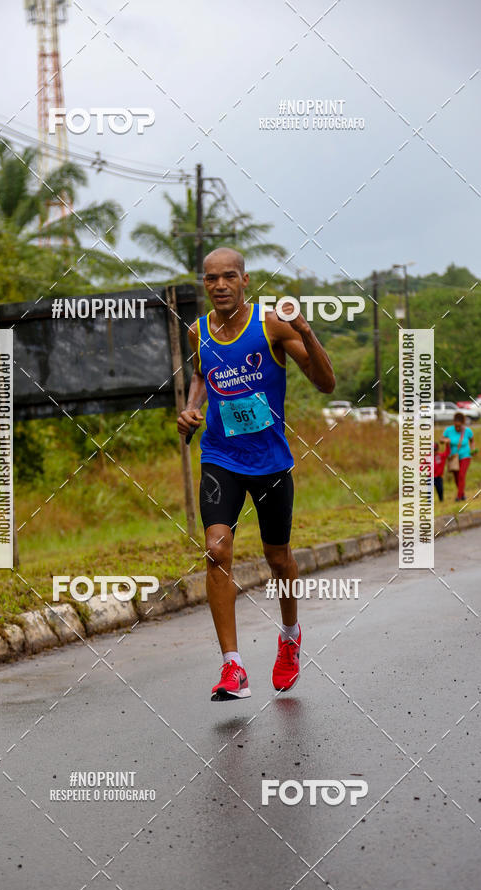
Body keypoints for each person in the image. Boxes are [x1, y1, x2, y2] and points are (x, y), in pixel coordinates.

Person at [177, 247, 335, 701]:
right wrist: (191, 409)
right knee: (215, 550)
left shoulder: (273, 326)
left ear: (246, 281)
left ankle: (289, 637)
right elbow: (202, 376)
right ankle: (233, 667)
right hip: (220, 456)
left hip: (270, 462)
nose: (220, 285)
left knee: (279, 558)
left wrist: (305, 329)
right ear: (204, 284)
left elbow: (326, 383)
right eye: (211, 279)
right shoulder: (197, 333)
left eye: (229, 277)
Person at [442, 411, 475, 502]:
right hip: (453, 458)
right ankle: (463, 494)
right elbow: (441, 439)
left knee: (461, 475)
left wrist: (473, 449)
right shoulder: (448, 430)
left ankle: (458, 496)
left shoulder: (468, 431)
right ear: (453, 423)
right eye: (456, 426)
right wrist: (445, 440)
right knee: (456, 477)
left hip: (465, 456)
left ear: (463, 424)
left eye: (459, 426)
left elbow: (472, 441)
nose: (457, 428)